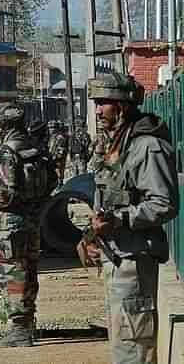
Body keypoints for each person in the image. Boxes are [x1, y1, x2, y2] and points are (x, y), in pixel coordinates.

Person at [85, 73, 178, 364]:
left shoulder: (147, 146)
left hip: (135, 262)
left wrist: (119, 220)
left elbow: (164, 204)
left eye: (103, 103)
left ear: (123, 106)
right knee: (124, 344)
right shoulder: (118, 143)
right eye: (97, 103)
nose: (98, 110)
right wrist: (93, 236)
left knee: (134, 348)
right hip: (117, 257)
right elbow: (110, 197)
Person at [0, 102, 55, 348]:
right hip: (32, 220)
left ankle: (19, 328)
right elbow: (51, 181)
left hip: (10, 223)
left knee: (13, 273)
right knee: (29, 271)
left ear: (2, 124)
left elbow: (7, 192)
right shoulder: (35, 145)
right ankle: (27, 323)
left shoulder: (7, 150)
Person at [48, 120, 68, 185]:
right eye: (49, 128)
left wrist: (54, 158)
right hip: (52, 160)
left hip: (58, 161)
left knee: (58, 176)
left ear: (56, 128)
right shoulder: (51, 137)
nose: (50, 129)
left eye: (52, 127)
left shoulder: (60, 138)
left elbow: (61, 151)